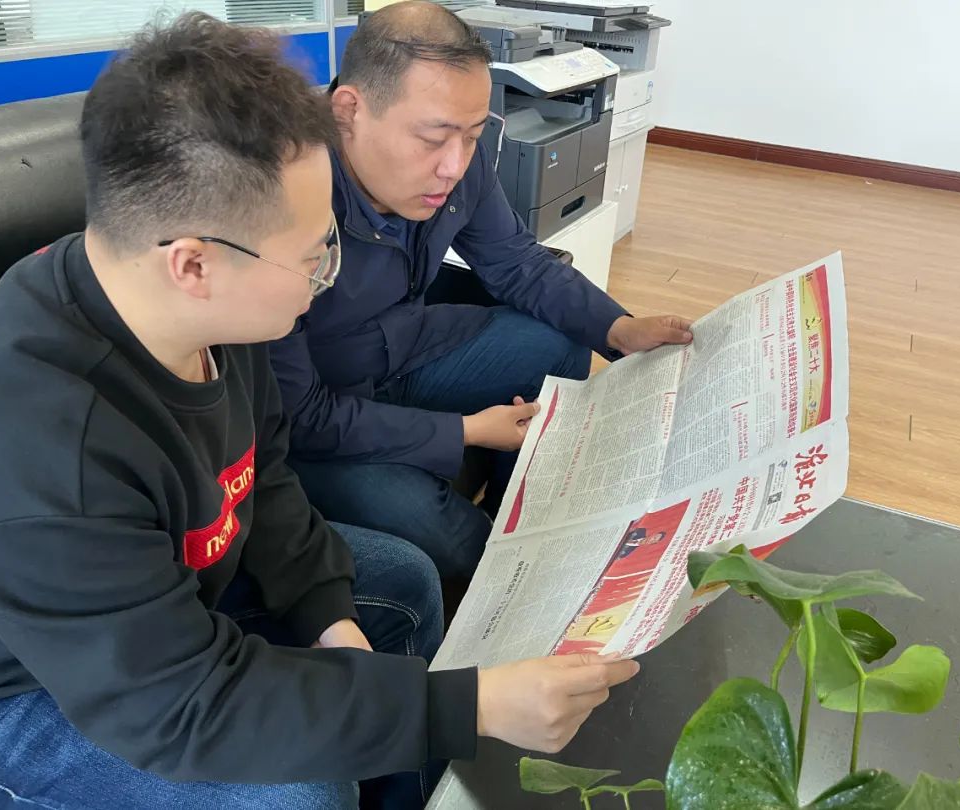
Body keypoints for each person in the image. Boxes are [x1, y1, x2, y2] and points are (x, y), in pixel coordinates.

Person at [0, 14, 639, 810]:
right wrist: (471, 707)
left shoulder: (214, 316)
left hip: (179, 594)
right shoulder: (46, 440)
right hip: (28, 688)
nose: (329, 272)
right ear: (194, 265)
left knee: (397, 587)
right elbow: (179, 706)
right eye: (315, 255)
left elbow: (262, 474)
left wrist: (327, 612)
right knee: (300, 792)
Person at [270, 0, 694, 583]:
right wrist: (465, 431)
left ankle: (518, 519)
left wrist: (620, 329)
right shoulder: (280, 199)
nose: (454, 165)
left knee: (559, 345)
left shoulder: (455, 160)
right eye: (433, 138)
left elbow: (517, 261)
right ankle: (501, 581)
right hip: (323, 411)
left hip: (407, 348)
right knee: (441, 538)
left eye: (472, 136)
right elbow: (302, 417)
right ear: (348, 112)